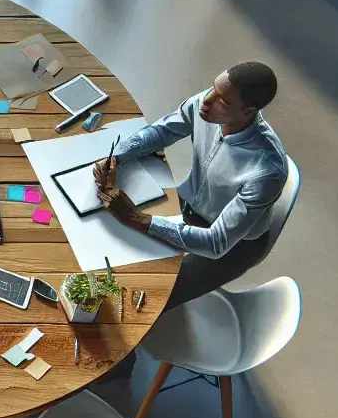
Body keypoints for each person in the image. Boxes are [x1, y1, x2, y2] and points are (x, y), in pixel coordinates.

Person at [94, 62, 289, 309]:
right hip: (190, 207)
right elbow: (163, 132)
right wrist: (118, 157)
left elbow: (216, 242)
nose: (207, 100)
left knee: (145, 298)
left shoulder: (266, 171)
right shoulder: (207, 105)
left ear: (249, 111)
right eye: (213, 88)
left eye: (223, 101)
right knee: (115, 253)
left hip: (230, 247)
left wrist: (137, 218)